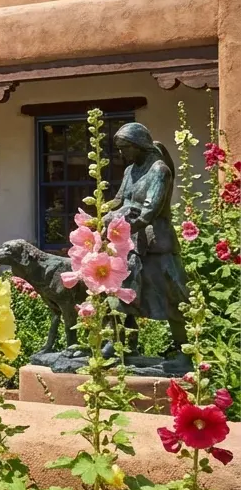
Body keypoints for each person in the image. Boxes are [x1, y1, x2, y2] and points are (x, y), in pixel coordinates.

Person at [106, 122, 188, 356]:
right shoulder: (130, 170)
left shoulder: (159, 171)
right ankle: (125, 345)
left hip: (156, 244)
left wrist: (119, 226)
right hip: (132, 242)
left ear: (139, 145)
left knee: (171, 294)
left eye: (125, 148)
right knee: (127, 291)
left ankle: (184, 351)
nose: (122, 153)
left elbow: (149, 212)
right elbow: (120, 200)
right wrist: (101, 212)